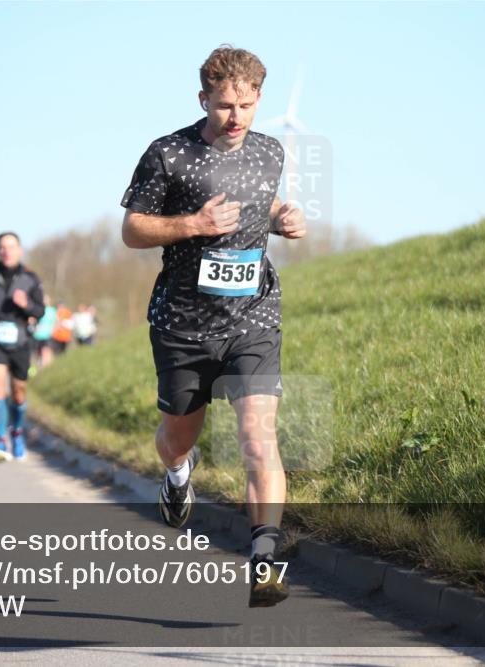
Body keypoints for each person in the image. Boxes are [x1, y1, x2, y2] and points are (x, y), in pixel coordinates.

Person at [120, 46, 306, 608]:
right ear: (203, 99)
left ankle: (266, 557)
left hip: (253, 314)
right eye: (224, 105)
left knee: (257, 437)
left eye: (246, 105)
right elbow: (132, 229)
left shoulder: (270, 150)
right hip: (182, 323)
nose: (236, 117)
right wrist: (192, 224)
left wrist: (282, 216)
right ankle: (178, 475)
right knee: (178, 438)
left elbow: (260, 202)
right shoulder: (168, 154)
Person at [0, 232, 45, 462]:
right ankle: (1, 440)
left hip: (21, 340)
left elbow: (40, 311)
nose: (6, 251)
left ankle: (17, 432)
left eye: (11, 246)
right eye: (2, 247)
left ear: (19, 250)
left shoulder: (30, 278)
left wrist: (27, 305)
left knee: (19, 392)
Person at [32, 295, 58, 369]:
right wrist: (34, 328)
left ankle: (47, 367)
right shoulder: (37, 310)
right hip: (37, 335)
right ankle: (40, 366)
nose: (44, 301)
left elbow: (56, 322)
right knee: (37, 353)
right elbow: (33, 321)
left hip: (48, 334)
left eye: (46, 300)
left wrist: (54, 330)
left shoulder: (52, 310)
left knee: (46, 351)